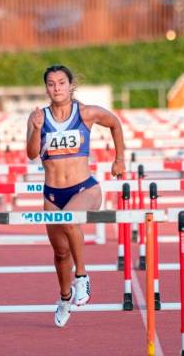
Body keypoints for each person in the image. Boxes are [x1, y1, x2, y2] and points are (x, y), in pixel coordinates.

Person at [26, 65, 126, 327]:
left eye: (61, 82)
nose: (56, 88)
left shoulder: (86, 113)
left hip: (85, 188)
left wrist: (120, 160)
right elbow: (31, 153)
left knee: (69, 221)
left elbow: (114, 123)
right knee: (60, 253)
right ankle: (64, 296)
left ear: (70, 85)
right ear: (46, 88)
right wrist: (36, 129)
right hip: (52, 194)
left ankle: (82, 276)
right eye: (51, 83)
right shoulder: (38, 116)